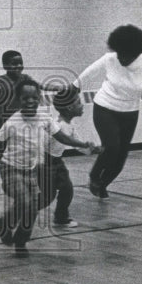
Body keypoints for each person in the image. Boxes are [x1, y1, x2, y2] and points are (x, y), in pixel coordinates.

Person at [0, 81, 96, 254]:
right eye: (25, 98)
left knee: (31, 206)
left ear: (39, 98)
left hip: (31, 171)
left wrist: (85, 144)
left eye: (34, 97)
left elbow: (64, 138)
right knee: (26, 202)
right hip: (10, 169)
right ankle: (8, 226)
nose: (30, 101)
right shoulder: (12, 122)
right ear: (19, 99)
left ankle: (18, 238)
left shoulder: (45, 118)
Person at [72, 25, 142, 199]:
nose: (120, 58)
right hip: (105, 107)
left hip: (130, 112)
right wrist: (74, 86)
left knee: (121, 157)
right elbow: (89, 72)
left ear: (136, 53)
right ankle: (94, 176)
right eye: (118, 53)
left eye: (124, 55)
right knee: (112, 147)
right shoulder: (110, 58)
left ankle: (102, 184)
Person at [36, 86, 89, 228]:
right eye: (78, 103)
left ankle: (61, 218)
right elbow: (41, 144)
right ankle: (26, 210)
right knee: (48, 196)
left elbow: (77, 144)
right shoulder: (56, 125)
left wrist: (91, 149)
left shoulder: (70, 125)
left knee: (67, 189)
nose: (82, 105)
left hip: (58, 162)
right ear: (70, 108)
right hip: (46, 164)